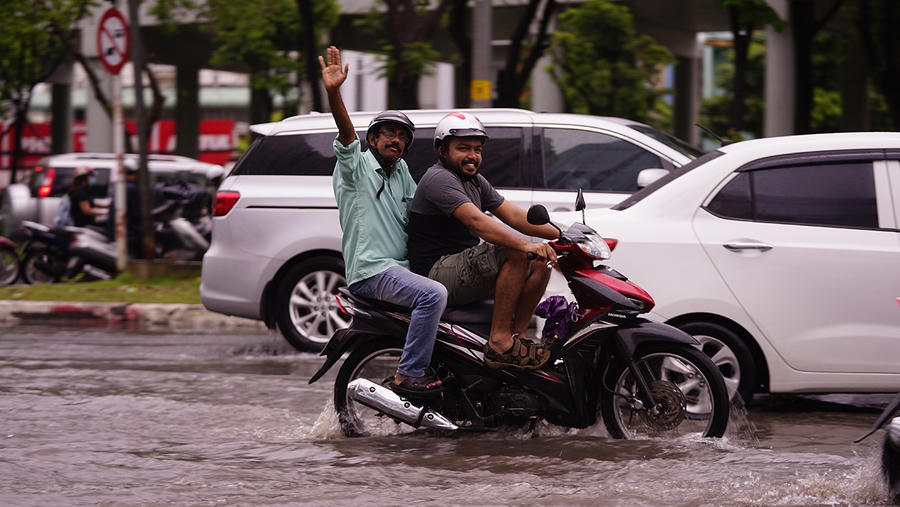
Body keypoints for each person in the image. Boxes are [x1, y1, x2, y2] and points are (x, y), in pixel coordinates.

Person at [320, 46, 448, 397]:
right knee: (433, 295)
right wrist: (334, 92)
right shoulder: (356, 167)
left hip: (401, 269)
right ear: (372, 139)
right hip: (372, 272)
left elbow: (421, 214)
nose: (396, 139)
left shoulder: (402, 171)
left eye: (402, 135)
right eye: (388, 133)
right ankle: (408, 374)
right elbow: (346, 137)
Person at [406, 112, 560, 370]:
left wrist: (564, 234)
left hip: (460, 267)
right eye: (463, 148)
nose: (472, 156)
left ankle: (517, 336)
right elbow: (478, 223)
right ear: (442, 150)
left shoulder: (475, 181)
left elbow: (514, 215)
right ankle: (500, 341)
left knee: (541, 261)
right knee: (516, 251)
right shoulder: (439, 178)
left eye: (477, 149)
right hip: (434, 271)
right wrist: (524, 245)